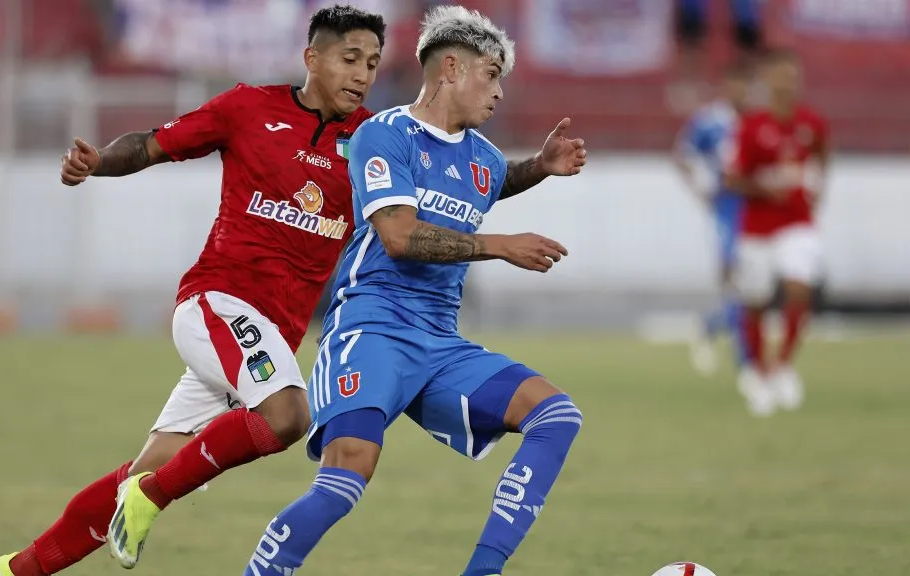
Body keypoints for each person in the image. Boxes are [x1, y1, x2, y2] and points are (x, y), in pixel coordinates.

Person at [108, 6, 588, 575]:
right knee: (345, 480)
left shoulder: (482, 157)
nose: (500, 92)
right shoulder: (381, 133)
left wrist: (539, 166)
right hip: (371, 331)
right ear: (452, 68)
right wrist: (499, 245)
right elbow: (399, 236)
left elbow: (486, 181)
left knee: (556, 415)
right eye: (492, 75)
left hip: (439, 343)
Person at [0, 5, 385, 575]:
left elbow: (450, 186)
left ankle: (13, 571)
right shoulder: (249, 107)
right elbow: (150, 144)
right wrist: (98, 162)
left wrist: (528, 172)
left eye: (372, 63)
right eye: (350, 59)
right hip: (217, 302)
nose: (362, 74)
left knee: (146, 469)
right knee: (288, 414)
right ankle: (151, 500)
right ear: (311, 57)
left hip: (268, 335)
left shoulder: (373, 141)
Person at [728, 49, 828, 417]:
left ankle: (782, 365)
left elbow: (822, 156)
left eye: (792, 75)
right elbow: (732, 178)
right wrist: (765, 189)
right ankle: (757, 371)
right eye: (779, 76)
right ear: (768, 81)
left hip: (797, 223)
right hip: (757, 227)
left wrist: (817, 192)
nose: (787, 83)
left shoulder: (812, 123)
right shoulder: (752, 127)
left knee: (799, 286)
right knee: (754, 302)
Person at [672, 62, 752, 375]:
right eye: (738, 85)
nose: (743, 92)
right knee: (736, 280)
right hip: (727, 209)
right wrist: (701, 188)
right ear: (728, 86)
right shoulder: (711, 121)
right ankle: (746, 360)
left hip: (756, 209)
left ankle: (709, 327)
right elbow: (682, 155)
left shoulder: (757, 121)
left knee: (753, 285)